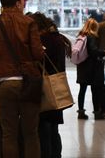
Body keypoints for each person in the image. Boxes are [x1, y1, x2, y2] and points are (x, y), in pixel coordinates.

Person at [0, 0, 44, 158]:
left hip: (5, 84)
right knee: (31, 133)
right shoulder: (29, 23)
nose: (23, 3)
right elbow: (38, 54)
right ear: (17, 3)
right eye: (22, 0)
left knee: (9, 134)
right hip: (29, 84)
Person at [32, 12, 70, 158]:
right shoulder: (58, 38)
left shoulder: (43, 40)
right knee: (54, 129)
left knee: (44, 129)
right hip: (56, 86)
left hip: (45, 88)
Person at [75, 18, 105, 120]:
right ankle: (97, 112)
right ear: (94, 27)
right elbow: (93, 51)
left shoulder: (81, 36)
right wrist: (103, 52)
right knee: (95, 90)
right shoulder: (91, 37)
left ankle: (80, 112)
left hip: (82, 67)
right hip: (92, 68)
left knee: (82, 90)